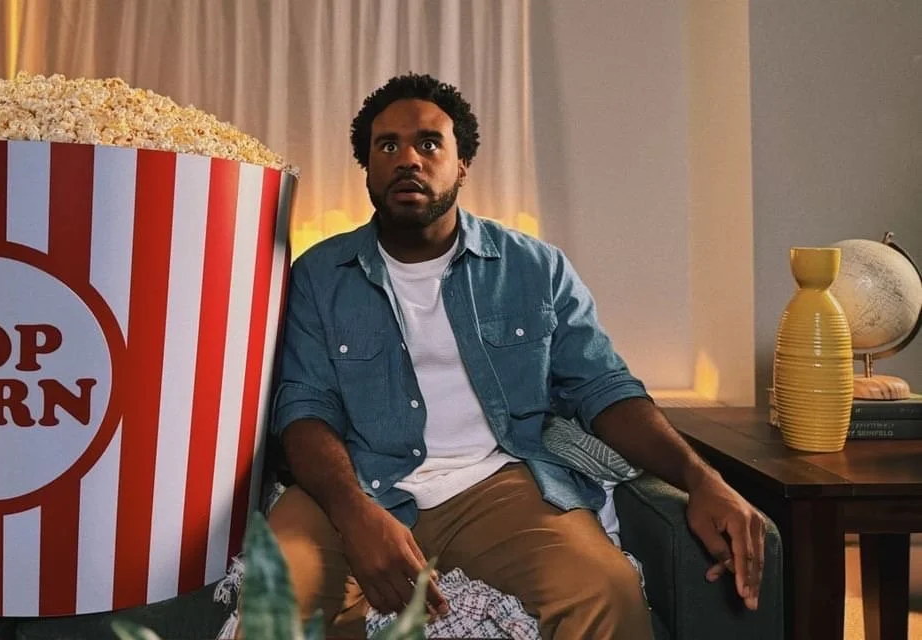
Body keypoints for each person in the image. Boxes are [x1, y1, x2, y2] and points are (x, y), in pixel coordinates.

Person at [267, 72, 765, 639]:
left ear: (461, 164)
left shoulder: (535, 268)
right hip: (358, 483)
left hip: (494, 485)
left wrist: (700, 478)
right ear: (367, 168)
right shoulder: (319, 275)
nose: (408, 159)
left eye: (429, 143)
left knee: (606, 592)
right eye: (388, 146)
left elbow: (604, 389)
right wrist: (353, 514)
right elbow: (304, 410)